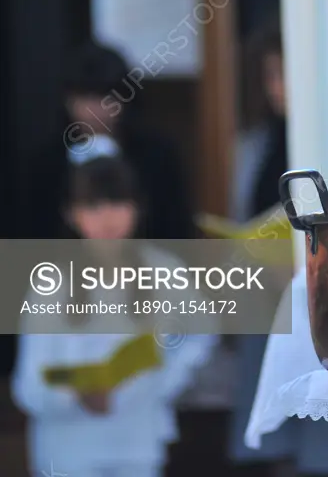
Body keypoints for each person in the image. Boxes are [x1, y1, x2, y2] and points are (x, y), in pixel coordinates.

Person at [12, 135, 216, 477]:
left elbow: (201, 334)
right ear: (71, 214)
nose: (107, 216)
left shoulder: (163, 271)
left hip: (137, 442)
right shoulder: (52, 284)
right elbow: (28, 384)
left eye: (118, 202)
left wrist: (162, 382)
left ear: (137, 207)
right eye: (93, 205)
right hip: (66, 448)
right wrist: (74, 395)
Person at [228, 17, 328, 477]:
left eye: (287, 73)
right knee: (274, 434)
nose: (279, 87)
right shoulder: (254, 146)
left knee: (327, 420)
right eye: (270, 75)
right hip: (268, 298)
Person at [25, 39, 196, 240]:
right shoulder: (47, 164)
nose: (96, 109)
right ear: (68, 100)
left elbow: (176, 227)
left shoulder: (158, 156)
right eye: (85, 97)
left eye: (107, 97)